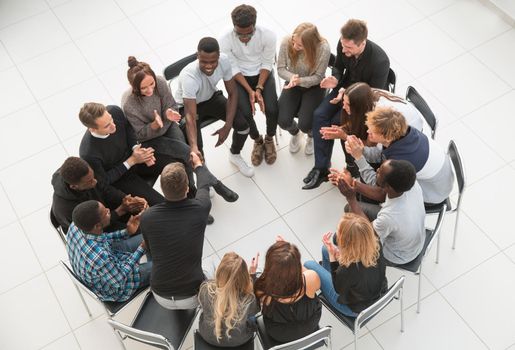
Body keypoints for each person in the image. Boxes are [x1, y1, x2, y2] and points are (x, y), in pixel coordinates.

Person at [121, 56, 238, 203]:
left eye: (152, 84)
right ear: (133, 86)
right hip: (150, 140)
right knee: (185, 155)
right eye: (143, 88)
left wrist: (168, 113)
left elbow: (172, 106)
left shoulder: (160, 82)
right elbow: (139, 135)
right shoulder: (128, 103)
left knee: (186, 155)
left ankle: (193, 191)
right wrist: (154, 125)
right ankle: (212, 183)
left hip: (168, 126)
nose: (150, 89)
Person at [305, 19, 390, 190]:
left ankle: (351, 167)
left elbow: (374, 94)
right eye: (342, 46)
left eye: (348, 48)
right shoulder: (343, 42)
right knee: (319, 115)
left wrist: (347, 95)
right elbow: (338, 66)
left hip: (362, 101)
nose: (343, 50)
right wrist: (335, 78)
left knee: (338, 123)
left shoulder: (380, 61)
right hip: (343, 87)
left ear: (362, 43)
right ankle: (321, 168)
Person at [139, 152, 214, 309]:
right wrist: (198, 165)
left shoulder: (146, 217)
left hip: (160, 295)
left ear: (161, 188)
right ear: (187, 188)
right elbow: (204, 184)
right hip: (192, 296)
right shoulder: (201, 209)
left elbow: (150, 250)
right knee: (211, 266)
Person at [175, 37, 254, 177]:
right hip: (188, 107)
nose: (209, 66)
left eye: (213, 61)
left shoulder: (224, 60)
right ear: (197, 56)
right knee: (196, 147)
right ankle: (204, 174)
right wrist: (193, 146)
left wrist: (228, 126)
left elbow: (233, 93)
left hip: (210, 97)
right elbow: (190, 116)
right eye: (204, 61)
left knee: (243, 126)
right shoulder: (189, 76)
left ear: (218, 55)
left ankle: (235, 154)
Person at [315, 82, 424, 180]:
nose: (343, 107)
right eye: (344, 102)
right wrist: (344, 130)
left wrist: (345, 136)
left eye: (348, 104)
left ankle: (355, 170)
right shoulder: (366, 96)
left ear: (359, 105)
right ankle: (352, 167)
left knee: (354, 142)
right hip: (402, 118)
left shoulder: (379, 117)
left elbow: (373, 150)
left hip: (409, 130)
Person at [346, 106, 453, 204]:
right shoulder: (401, 132)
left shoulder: (400, 160)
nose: (368, 131)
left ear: (387, 137)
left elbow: (378, 186)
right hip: (441, 178)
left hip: (433, 192)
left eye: (372, 132)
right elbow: (382, 155)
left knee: (373, 194)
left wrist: (359, 157)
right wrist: (362, 150)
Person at [331, 159, 425, 265]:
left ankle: (342, 264)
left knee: (339, 238)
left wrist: (351, 198)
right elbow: (382, 193)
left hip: (397, 255)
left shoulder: (390, 217)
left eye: (380, 172)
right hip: (412, 239)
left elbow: (367, 233)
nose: (377, 170)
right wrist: (353, 183)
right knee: (349, 208)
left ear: (388, 186)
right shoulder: (409, 183)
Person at [219, 4, 279, 166]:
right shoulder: (224, 39)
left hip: (262, 73)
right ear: (234, 27)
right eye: (240, 34)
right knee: (245, 113)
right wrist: (249, 91)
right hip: (239, 77)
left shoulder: (268, 34)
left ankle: (269, 138)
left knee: (272, 109)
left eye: (249, 34)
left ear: (255, 25)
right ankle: (257, 140)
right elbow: (232, 67)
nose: (244, 38)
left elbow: (267, 62)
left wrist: (258, 88)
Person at [66, 200, 151, 302]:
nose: (109, 210)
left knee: (151, 236)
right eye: (105, 213)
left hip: (110, 259)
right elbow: (120, 278)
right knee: (168, 266)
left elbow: (102, 238)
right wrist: (142, 248)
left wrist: (127, 232)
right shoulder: (100, 257)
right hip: (120, 284)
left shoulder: (76, 225)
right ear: (97, 226)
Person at [304, 213, 387, 316]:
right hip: (375, 294)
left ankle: (323, 280)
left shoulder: (348, 269)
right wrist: (335, 255)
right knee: (325, 249)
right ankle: (325, 276)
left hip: (355, 309)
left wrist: (333, 257)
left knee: (309, 264)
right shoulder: (376, 244)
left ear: (347, 242)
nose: (336, 234)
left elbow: (338, 289)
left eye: (338, 231)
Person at [51, 156, 147, 233]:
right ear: (74, 187)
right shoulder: (67, 209)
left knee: (148, 212)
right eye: (90, 181)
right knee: (143, 231)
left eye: (93, 176)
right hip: (96, 229)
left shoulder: (85, 172)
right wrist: (121, 210)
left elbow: (105, 188)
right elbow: (95, 229)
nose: (95, 182)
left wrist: (126, 199)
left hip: (104, 211)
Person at [277, 23, 330, 156]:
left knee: (306, 125)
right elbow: (281, 69)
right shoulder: (287, 41)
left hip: (314, 86)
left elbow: (318, 77)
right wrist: (293, 78)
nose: (295, 47)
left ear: (311, 46)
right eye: (294, 42)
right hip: (293, 83)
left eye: (300, 46)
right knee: (282, 121)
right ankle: (295, 133)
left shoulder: (323, 48)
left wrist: (299, 80)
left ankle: (311, 136)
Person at [254, 238, 322, 343]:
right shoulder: (310, 278)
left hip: (280, 335)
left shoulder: (262, 289)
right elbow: (317, 286)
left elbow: (256, 305)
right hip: (310, 326)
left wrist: (252, 275)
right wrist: (291, 258)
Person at [198, 252, 260, 347]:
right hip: (239, 341)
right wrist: (252, 276)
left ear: (219, 273)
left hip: (208, 337)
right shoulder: (248, 299)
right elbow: (255, 310)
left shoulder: (205, 289)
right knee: (252, 317)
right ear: (244, 278)